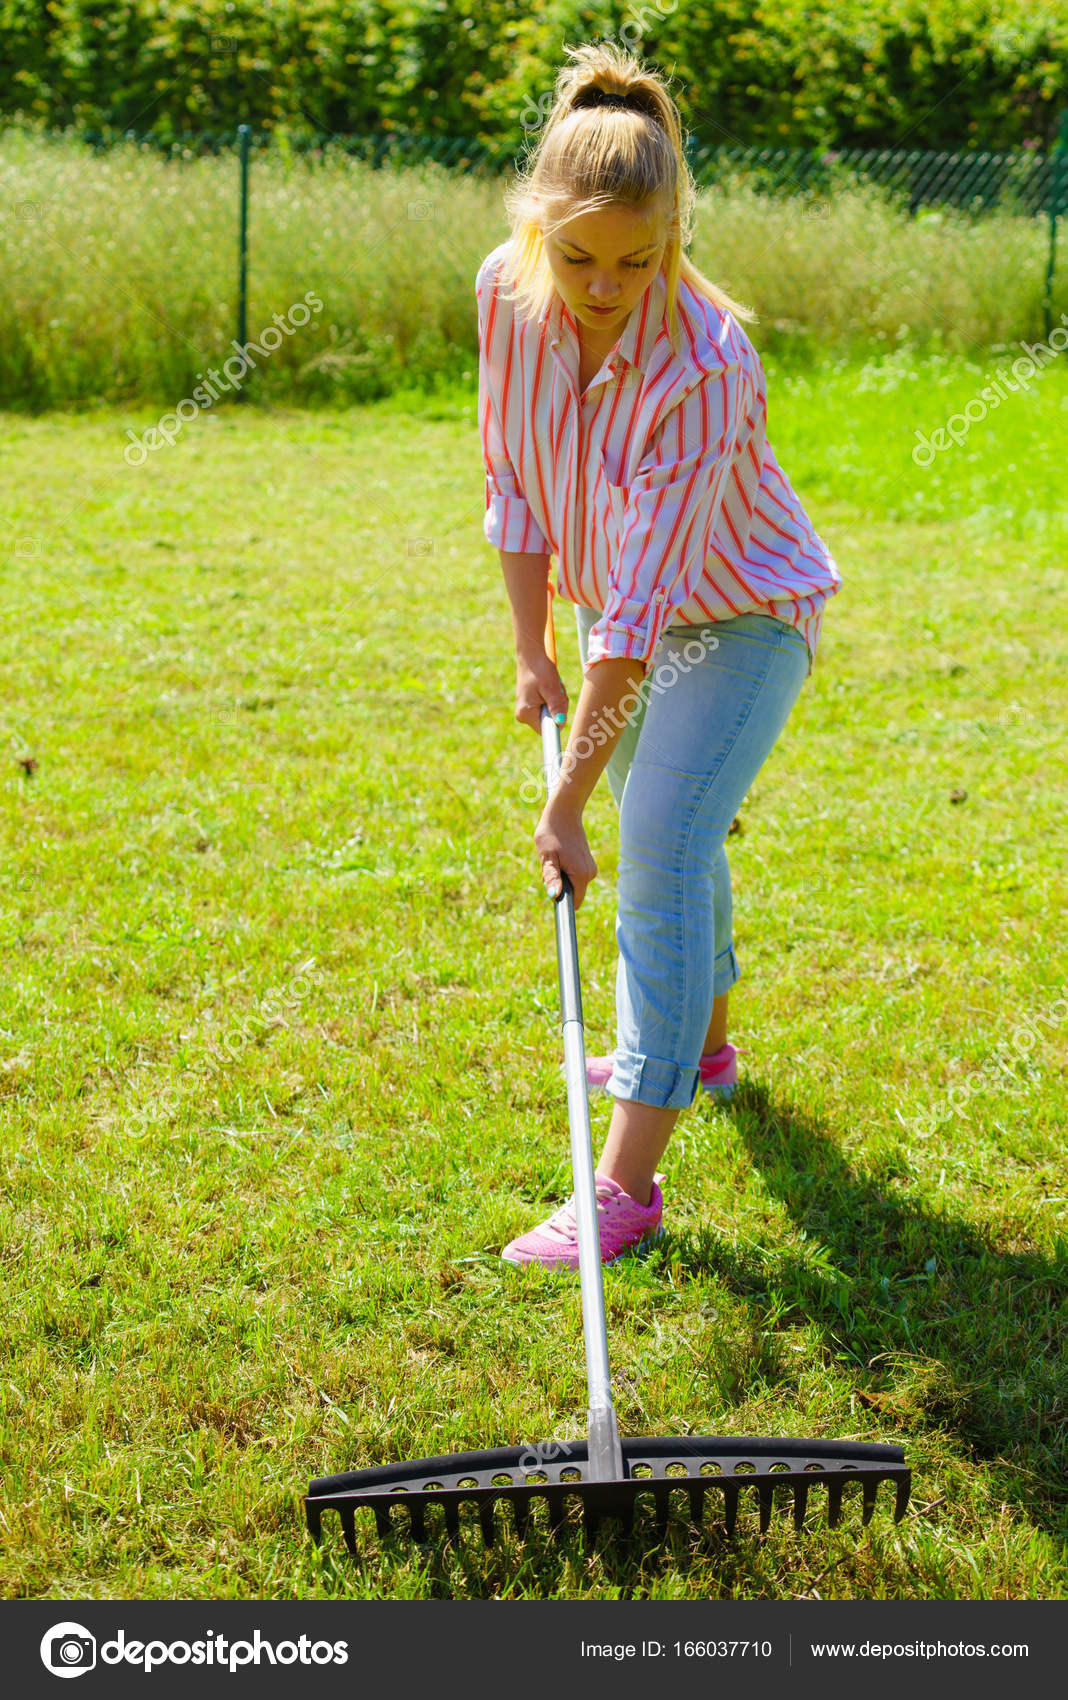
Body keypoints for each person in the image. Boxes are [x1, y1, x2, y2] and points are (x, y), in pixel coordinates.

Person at [475, 41, 841, 1270]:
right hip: (620, 611)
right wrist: (530, 647)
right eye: (577, 256)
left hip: (737, 615)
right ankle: (707, 1048)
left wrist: (563, 805)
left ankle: (625, 1190)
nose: (603, 286)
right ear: (536, 226)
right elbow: (514, 483)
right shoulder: (503, 294)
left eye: (639, 260)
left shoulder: (706, 362)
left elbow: (637, 617)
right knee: (669, 831)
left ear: (676, 232)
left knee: (662, 843)